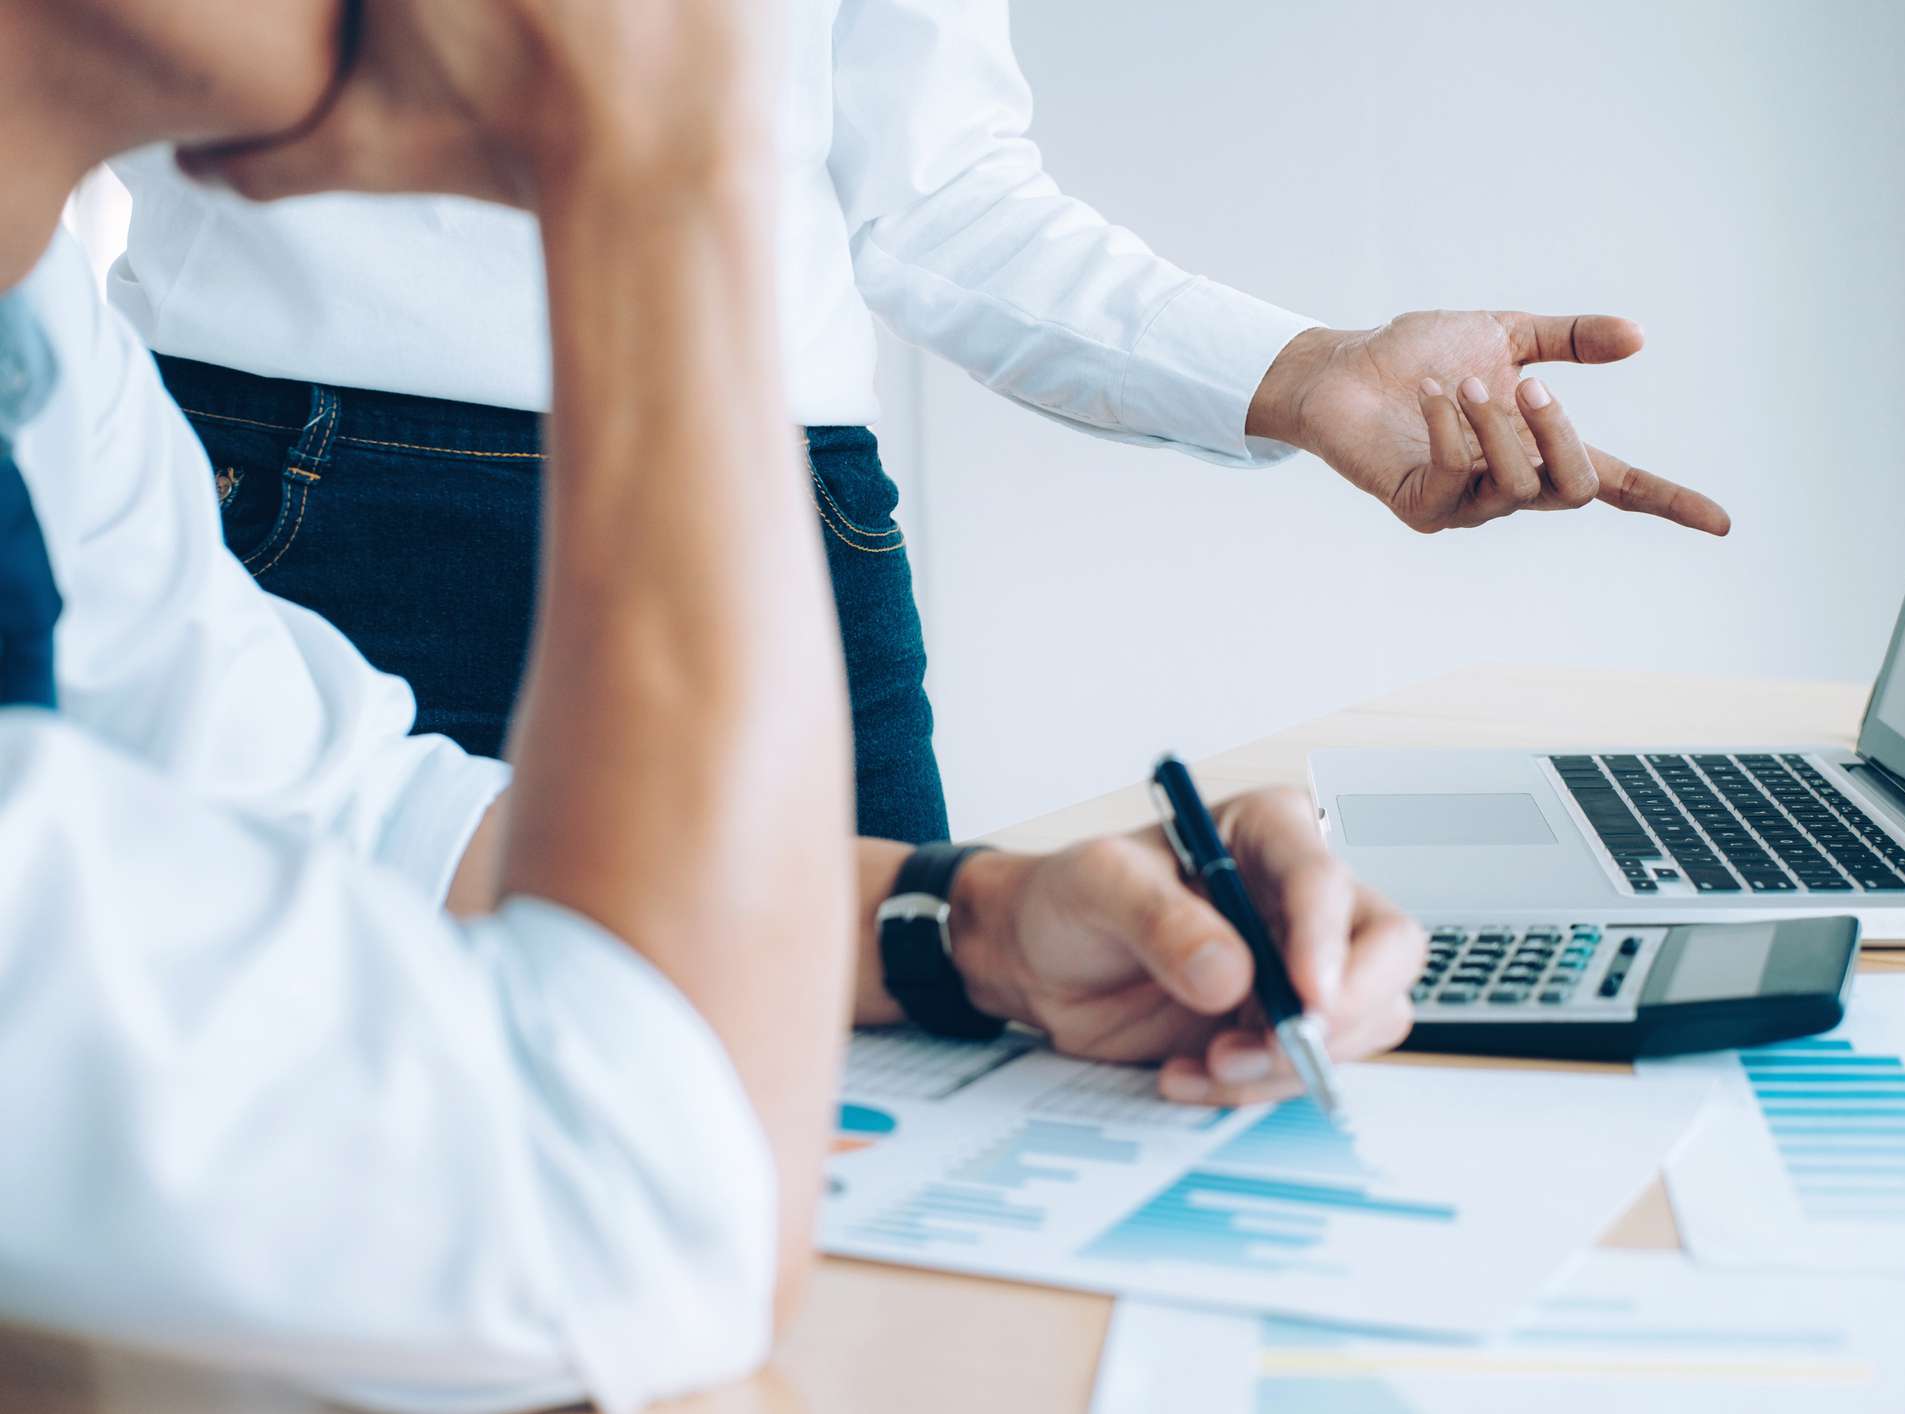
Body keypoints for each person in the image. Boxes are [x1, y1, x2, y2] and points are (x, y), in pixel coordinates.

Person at [0, 1, 1432, 1407]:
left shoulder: (50, 361)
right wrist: (651, 164)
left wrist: (971, 923)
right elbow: (635, 1220)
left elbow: (364, 819)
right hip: (325, 441)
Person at [112, 0, 1733, 846]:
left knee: (873, 1132)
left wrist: (1300, 374)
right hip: (311, 492)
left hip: (777, 513)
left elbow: (933, 190)